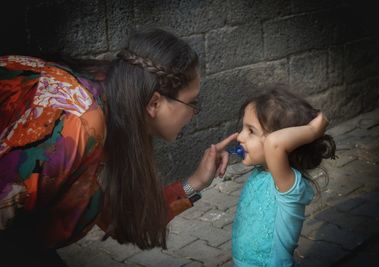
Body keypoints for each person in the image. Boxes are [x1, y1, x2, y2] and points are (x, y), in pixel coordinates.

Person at [0, 28, 237, 266]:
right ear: (154, 103)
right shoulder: (79, 127)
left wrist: (195, 182)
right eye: (192, 103)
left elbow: (122, 219)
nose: (195, 113)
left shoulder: (117, 99)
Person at [231, 86, 336, 267]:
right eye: (243, 128)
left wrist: (313, 130)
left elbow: (274, 144)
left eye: (251, 131)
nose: (240, 136)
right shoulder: (261, 172)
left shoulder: (287, 186)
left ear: (285, 140)